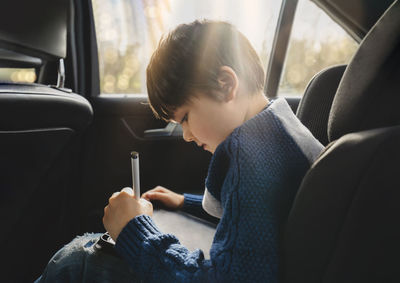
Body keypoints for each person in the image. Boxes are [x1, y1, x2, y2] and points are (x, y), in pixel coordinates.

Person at [36, 20, 323, 283]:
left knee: (76, 260)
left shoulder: (249, 158)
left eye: (185, 117)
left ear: (226, 85)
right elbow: (256, 216)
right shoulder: (281, 129)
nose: (186, 135)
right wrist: (185, 202)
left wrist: (133, 229)